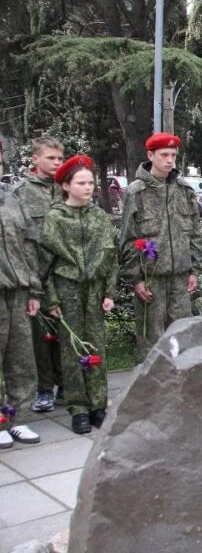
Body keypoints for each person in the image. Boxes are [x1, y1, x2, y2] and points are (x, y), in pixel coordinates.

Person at [40, 155, 118, 435]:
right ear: (66, 186)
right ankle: (78, 407)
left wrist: (109, 291)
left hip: (95, 289)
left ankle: (98, 404)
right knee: (73, 349)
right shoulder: (56, 218)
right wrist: (52, 300)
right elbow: (46, 264)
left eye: (91, 183)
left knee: (96, 346)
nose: (88, 188)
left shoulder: (99, 216)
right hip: (67, 288)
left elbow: (111, 256)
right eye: (81, 183)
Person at [118, 133, 202, 360]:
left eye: (173, 155)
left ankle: (181, 390)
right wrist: (136, 279)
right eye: (164, 155)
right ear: (150, 155)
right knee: (151, 342)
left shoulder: (184, 190)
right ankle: (149, 392)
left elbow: (195, 233)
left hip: (180, 279)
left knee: (182, 339)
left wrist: (194, 269)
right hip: (151, 279)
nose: (169, 160)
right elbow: (128, 238)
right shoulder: (136, 192)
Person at [13, 137, 64, 414]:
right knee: (42, 336)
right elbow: (19, 237)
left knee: (67, 331)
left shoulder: (65, 187)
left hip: (65, 273)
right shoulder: (21, 192)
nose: (56, 163)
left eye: (59, 158)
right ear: (35, 158)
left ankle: (67, 384)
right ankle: (44, 388)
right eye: (51, 158)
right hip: (36, 274)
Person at [0, 180, 43, 447]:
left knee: (21, 357)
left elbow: (28, 246)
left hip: (18, 289)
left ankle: (17, 417)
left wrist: (34, 290)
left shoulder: (12, 200)